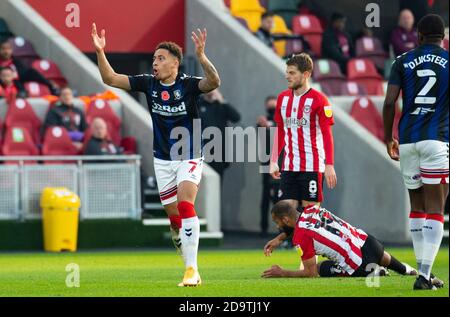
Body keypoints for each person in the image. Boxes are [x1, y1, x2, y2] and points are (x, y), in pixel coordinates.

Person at [91, 23, 220, 287]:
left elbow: (214, 82)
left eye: (161, 59)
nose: (155, 63)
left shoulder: (188, 85)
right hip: (162, 158)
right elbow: (110, 79)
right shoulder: (148, 84)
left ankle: (191, 270)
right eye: (153, 59)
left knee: (186, 206)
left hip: (189, 154)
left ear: (175, 64)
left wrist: (203, 56)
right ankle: (180, 241)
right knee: (174, 218)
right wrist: (100, 51)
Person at [383, 14, 448, 290]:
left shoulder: (401, 61)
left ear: (418, 35)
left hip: (408, 140)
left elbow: (388, 103)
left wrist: (389, 138)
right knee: (436, 206)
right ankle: (423, 275)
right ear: (443, 37)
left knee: (417, 207)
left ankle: (426, 274)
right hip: (437, 139)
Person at [267, 53, 337, 248]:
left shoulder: (319, 100)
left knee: (310, 213)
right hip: (289, 166)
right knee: (286, 210)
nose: (287, 76)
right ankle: (302, 250)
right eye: (286, 72)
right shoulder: (282, 98)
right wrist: (274, 159)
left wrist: (329, 165)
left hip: (312, 165)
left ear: (305, 74)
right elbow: (280, 131)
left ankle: (315, 251)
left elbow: (327, 134)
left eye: (292, 72)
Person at [261, 201, 418, 278]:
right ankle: (407, 270)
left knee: (319, 268)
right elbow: (303, 225)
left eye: (278, 222)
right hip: (371, 244)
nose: (278, 227)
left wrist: (282, 272)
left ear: (286, 220)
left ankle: (375, 272)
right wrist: (280, 239)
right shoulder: (311, 209)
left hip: (358, 264)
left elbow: (309, 273)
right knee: (377, 253)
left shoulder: (301, 237)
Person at [198, 88, 240, 179]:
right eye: (209, 86)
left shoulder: (221, 104)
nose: (211, 90)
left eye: (213, 88)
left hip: (219, 152)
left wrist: (222, 100)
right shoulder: (198, 103)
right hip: (201, 151)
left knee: (217, 181)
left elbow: (236, 117)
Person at [257, 96, 280, 236]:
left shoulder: (281, 122)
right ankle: (263, 228)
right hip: (266, 164)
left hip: (281, 164)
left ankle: (283, 228)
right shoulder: (262, 122)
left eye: (274, 108)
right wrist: (262, 126)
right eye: (269, 108)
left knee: (278, 197)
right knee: (266, 196)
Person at [42, 86, 87, 151]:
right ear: (60, 98)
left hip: (80, 143)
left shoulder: (78, 111)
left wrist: (84, 143)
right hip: (61, 143)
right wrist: (70, 143)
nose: (67, 97)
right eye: (64, 95)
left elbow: (85, 128)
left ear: (72, 96)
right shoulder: (54, 111)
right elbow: (52, 131)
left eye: (69, 94)